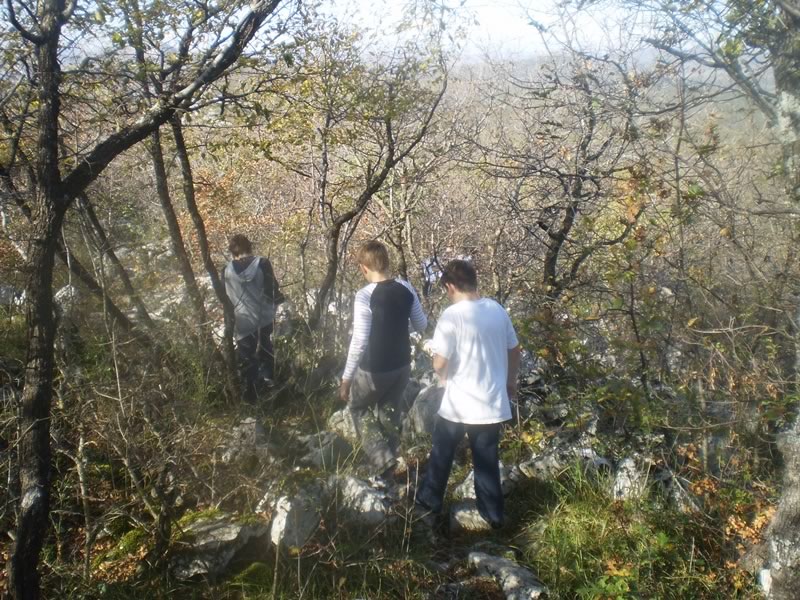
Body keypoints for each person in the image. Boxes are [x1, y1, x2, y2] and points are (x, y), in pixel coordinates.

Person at [415, 259, 520, 529]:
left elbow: (439, 362)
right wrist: (510, 381)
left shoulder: (452, 316)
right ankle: (493, 515)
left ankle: (428, 504)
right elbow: (514, 349)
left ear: (450, 286)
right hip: (491, 402)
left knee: (442, 452)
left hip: (459, 404)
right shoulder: (497, 310)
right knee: (486, 460)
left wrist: (442, 375)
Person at [339, 240, 427, 476]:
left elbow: (359, 341)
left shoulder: (365, 295)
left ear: (364, 267)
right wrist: (397, 329)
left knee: (357, 406)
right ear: (387, 263)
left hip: (374, 369)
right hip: (402, 365)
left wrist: (346, 379)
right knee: (389, 414)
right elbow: (421, 324)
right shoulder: (406, 288)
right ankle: (391, 469)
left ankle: (382, 459)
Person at [224, 234, 285, 403]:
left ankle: (250, 397)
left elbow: (225, 300)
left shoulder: (226, 270)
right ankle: (269, 388)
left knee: (247, 358)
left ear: (232, 251)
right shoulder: (262, 263)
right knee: (266, 350)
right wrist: (281, 302)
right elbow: (272, 290)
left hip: (242, 320)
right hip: (264, 317)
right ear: (249, 247)